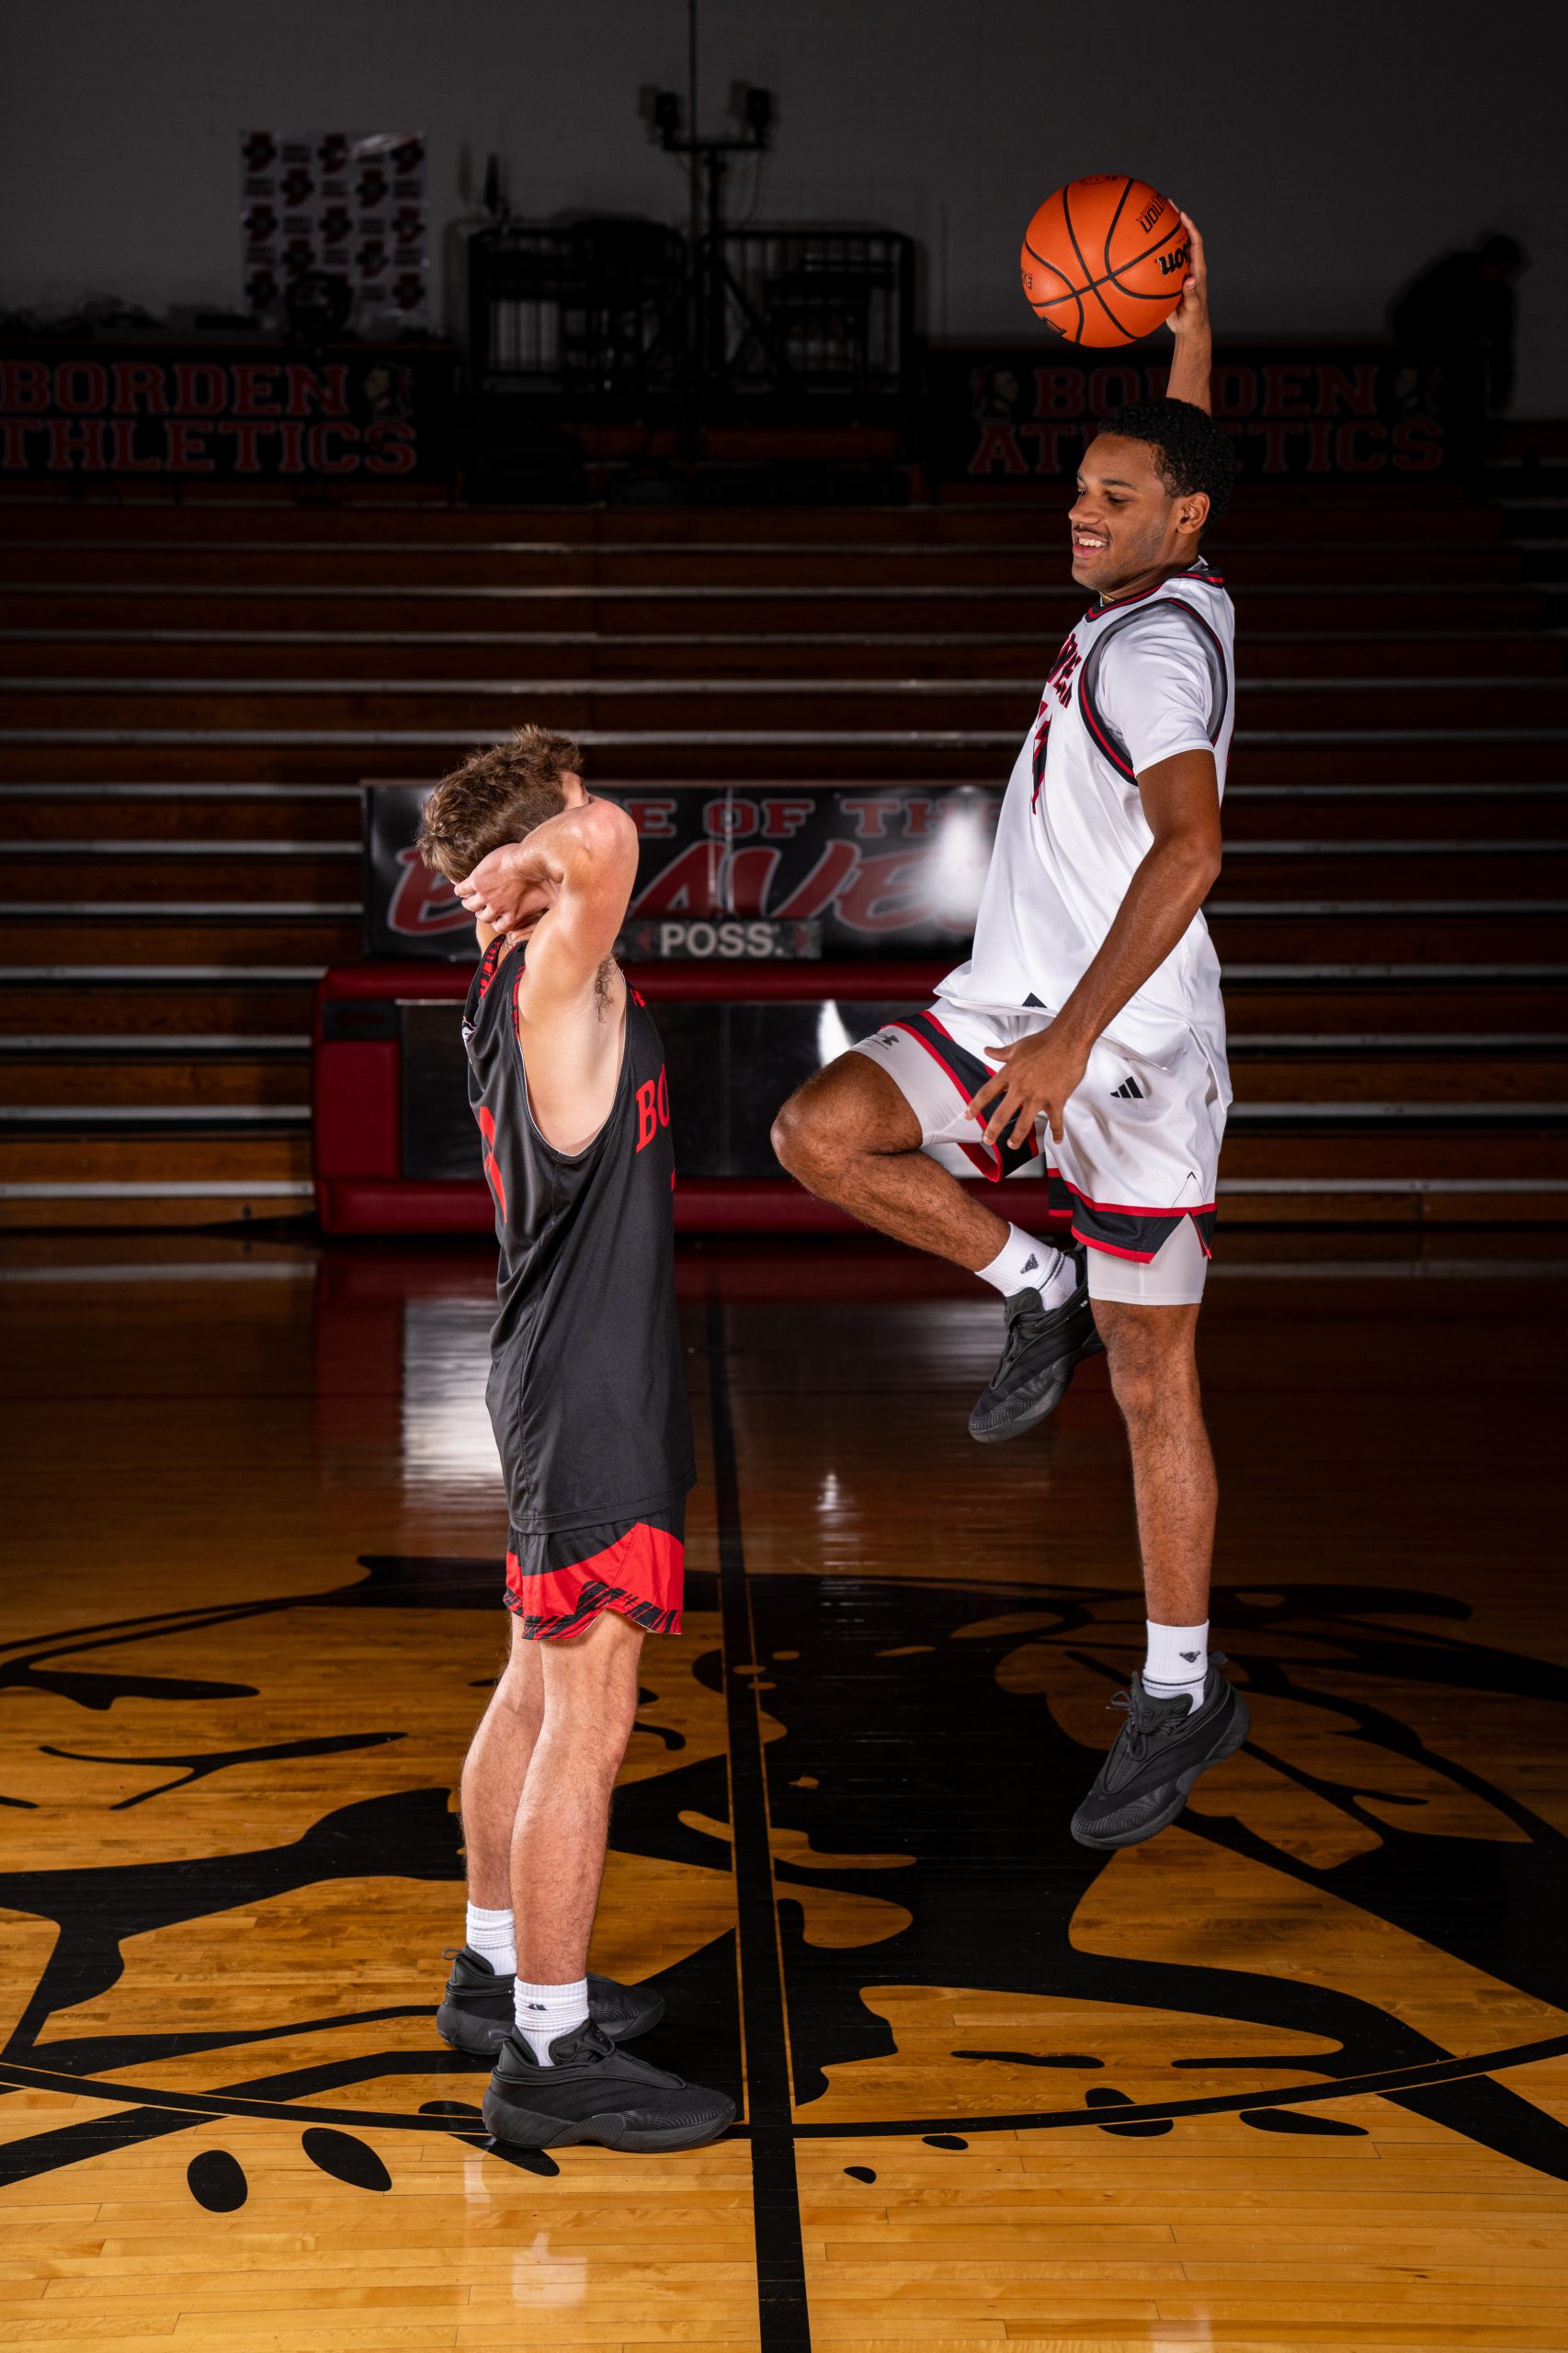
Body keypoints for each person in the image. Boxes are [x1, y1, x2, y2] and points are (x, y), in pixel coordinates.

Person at [772, 217, 1250, 1851]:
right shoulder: (1184, 580)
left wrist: (1065, 1050)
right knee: (821, 1134)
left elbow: (1192, 852)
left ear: (1176, 521)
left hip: (1133, 1050)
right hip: (1016, 1004)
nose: (1079, 510)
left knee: (1153, 1384)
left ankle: (1180, 1688)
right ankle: (1029, 1281)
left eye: (1112, 497)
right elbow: (1186, 456)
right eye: (1078, 488)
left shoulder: (1160, 652)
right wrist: (1189, 326)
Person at [415, 724, 733, 2153]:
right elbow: (606, 840)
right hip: (589, 1391)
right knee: (589, 1721)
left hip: (558, 1372)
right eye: (570, 801)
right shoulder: (552, 966)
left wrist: (537, 852)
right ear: (523, 859)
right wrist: (551, 846)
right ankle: (548, 2053)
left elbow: (596, 837)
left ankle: (492, 1972)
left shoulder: (513, 978)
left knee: (534, 1691)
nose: (597, 813)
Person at [1390, 232, 1528, 415]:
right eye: (1503, 272)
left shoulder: (1501, 295)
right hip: (1425, 352)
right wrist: (1420, 360)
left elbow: (1502, 343)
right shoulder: (1450, 273)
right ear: (1486, 262)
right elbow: (1407, 314)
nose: (1505, 279)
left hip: (1462, 361)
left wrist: (1502, 386)